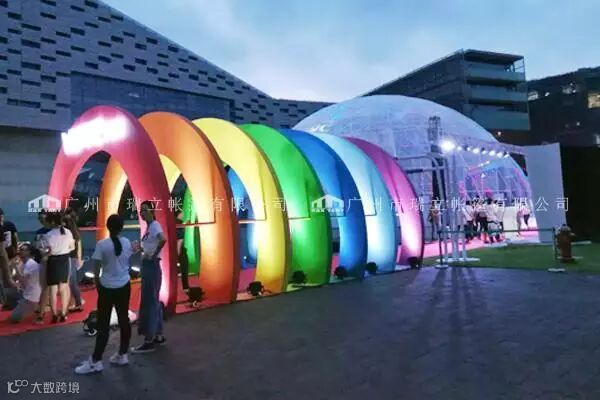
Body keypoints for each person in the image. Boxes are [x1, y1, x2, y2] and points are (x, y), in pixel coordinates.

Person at [75, 214, 133, 374]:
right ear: (122, 227)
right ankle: (122, 354)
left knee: (103, 324)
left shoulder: (102, 245)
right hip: (124, 285)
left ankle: (96, 360)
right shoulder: (127, 242)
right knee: (124, 320)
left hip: (107, 287)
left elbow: (96, 268)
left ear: (108, 227)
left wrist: (98, 284)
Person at [132, 201, 166, 353]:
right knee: (153, 301)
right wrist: (142, 249)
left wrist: (152, 255)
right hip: (149, 265)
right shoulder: (149, 227)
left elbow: (163, 239)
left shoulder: (154, 225)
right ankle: (157, 335)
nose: (142, 213)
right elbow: (152, 244)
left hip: (151, 266)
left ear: (152, 211)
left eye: (145, 210)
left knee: (149, 302)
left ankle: (149, 340)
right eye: (141, 210)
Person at [43, 212, 74, 323]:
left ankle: (54, 314)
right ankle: (64, 313)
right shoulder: (68, 232)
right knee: (64, 287)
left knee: (53, 288)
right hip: (64, 259)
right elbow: (72, 247)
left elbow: (48, 251)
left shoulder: (49, 234)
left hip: (53, 260)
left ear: (52, 222)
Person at [9, 243, 41, 323]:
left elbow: (21, 279)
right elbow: (15, 278)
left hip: (31, 297)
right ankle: (15, 305)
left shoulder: (31, 264)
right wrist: (10, 269)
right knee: (6, 290)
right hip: (24, 292)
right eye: (20, 249)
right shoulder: (22, 263)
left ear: (29, 252)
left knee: (14, 318)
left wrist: (14, 266)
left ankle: (36, 308)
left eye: (22, 250)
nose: (20, 251)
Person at [34, 210, 52, 323]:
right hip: (41, 261)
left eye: (43, 217)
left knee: (48, 286)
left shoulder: (54, 231)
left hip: (52, 261)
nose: (41, 220)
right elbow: (36, 246)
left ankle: (44, 308)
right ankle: (44, 305)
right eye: (40, 218)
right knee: (43, 285)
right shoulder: (39, 232)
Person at [64, 208, 84, 312]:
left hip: (69, 258)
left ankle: (77, 303)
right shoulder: (75, 230)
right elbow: (79, 245)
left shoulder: (66, 232)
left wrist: (78, 258)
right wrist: (79, 258)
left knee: (71, 283)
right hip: (72, 258)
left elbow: (77, 244)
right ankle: (76, 302)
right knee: (71, 282)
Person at [176, 211, 189, 293]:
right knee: (184, 268)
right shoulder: (178, 223)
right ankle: (186, 287)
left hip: (177, 250)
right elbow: (179, 240)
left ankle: (185, 287)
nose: (183, 215)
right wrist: (178, 252)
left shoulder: (177, 222)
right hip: (179, 250)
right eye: (181, 213)